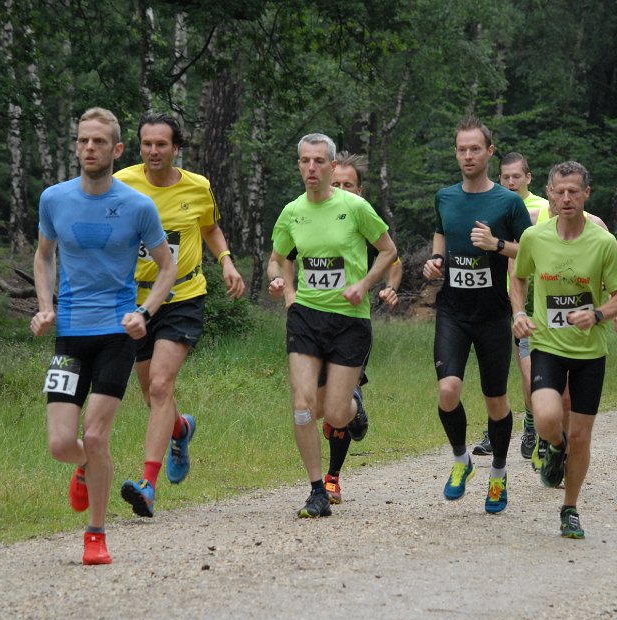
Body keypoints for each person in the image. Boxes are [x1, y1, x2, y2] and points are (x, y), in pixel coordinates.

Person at [31, 108, 175, 564]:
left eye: (98, 141)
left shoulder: (137, 206)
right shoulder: (54, 199)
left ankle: (95, 534)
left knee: (95, 437)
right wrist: (45, 306)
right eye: (82, 140)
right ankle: (84, 467)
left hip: (117, 332)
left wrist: (145, 313)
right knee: (61, 444)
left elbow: (167, 266)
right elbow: (44, 256)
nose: (89, 148)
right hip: (70, 334)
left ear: (116, 149)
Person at [113, 111, 245, 518]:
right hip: (136, 302)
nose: (153, 151)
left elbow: (210, 228)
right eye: (147, 144)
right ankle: (180, 429)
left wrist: (226, 260)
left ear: (176, 148)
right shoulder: (122, 184)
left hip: (183, 295)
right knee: (151, 395)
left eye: (161, 144)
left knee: (159, 386)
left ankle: (147, 486)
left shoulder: (198, 186)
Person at [266, 133, 397, 518]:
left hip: (349, 320)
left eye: (319, 161)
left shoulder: (355, 207)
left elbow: (388, 250)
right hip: (306, 316)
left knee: (337, 414)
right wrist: (278, 280)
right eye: (305, 161)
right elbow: (276, 259)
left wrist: (364, 284)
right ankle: (316, 490)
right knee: (302, 404)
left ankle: (353, 408)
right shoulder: (292, 211)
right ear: (299, 165)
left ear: (332, 165)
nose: (312, 168)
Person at [511, 160, 617, 538]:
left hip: (589, 353)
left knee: (581, 436)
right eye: (559, 191)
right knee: (547, 418)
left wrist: (596, 314)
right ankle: (555, 447)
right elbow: (518, 279)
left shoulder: (603, 242)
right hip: (547, 344)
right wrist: (518, 312)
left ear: (586, 194)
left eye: (573, 192)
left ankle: (570, 508)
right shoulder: (534, 237)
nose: (566, 198)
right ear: (548, 193)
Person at [422, 116, 531, 513]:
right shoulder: (445, 197)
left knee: (495, 400)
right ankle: (461, 460)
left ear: (489, 152)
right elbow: (440, 231)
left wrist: (496, 243)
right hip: (453, 310)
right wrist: (436, 260)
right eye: (461, 149)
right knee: (448, 390)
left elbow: (532, 251)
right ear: (456, 153)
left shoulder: (508, 202)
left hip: (493, 315)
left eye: (475, 149)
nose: (468, 156)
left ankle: (498, 475)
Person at [484, 152, 550, 461]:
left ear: (529, 177)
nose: (511, 182)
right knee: (502, 371)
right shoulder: (491, 204)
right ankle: (509, 424)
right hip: (498, 299)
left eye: (516, 176)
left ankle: (535, 425)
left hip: (536, 300)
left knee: (531, 372)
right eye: (505, 177)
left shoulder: (544, 207)